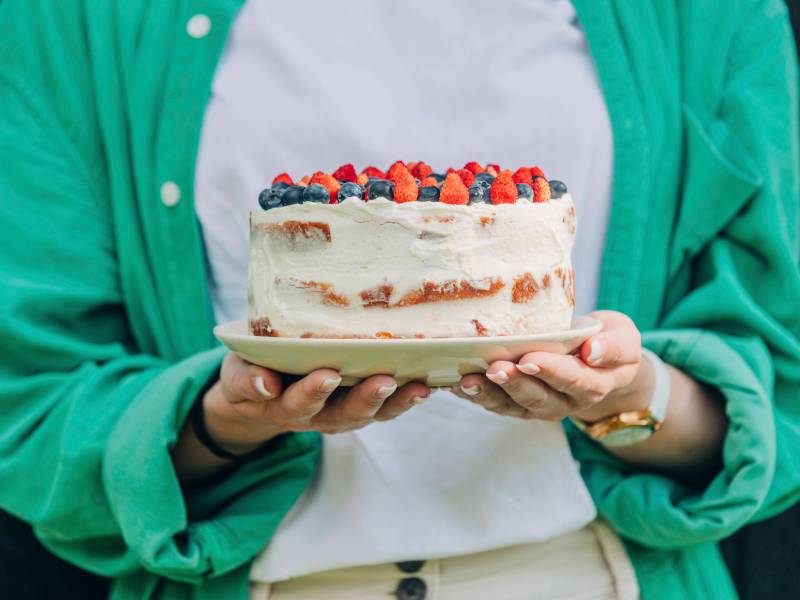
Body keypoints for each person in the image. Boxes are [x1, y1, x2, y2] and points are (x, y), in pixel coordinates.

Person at [1, 1, 798, 599]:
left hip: (597, 573)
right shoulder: (68, 20)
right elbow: (28, 408)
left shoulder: (707, 14)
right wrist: (221, 423)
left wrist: (627, 396)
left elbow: (783, 391)